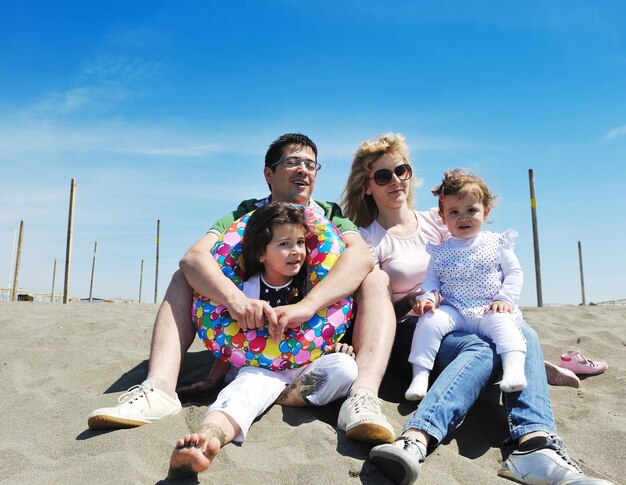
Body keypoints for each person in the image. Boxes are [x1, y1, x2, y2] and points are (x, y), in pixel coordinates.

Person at [88, 133, 397, 445]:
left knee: (375, 278)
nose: (304, 170)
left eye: (311, 165)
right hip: (247, 334)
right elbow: (194, 258)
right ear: (269, 173)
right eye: (292, 162)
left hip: (312, 338)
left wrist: (308, 306)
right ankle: (160, 389)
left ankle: (363, 397)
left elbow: (359, 257)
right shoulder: (244, 213)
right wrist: (235, 300)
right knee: (183, 276)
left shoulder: (329, 213)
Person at [340, 133, 613, 485]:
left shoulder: (438, 219)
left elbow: (483, 259)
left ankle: (535, 443)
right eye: (383, 176)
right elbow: (372, 306)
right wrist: (412, 300)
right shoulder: (370, 238)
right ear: (367, 187)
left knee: (519, 330)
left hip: (464, 312)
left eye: (401, 170)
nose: (395, 181)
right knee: (481, 349)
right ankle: (417, 436)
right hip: (415, 327)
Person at [167, 201, 358, 479]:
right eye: (284, 244)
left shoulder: (311, 286)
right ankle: (206, 440)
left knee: (345, 367)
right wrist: (212, 378)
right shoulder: (245, 290)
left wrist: (334, 348)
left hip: (300, 369)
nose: (297, 251)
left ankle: (282, 396)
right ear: (261, 253)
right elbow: (228, 344)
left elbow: (322, 333)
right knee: (245, 391)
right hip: (257, 368)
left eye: (301, 242)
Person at [406, 168, 527, 401]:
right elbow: (432, 280)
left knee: (506, 325)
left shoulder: (497, 242)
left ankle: (513, 370)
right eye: (454, 212)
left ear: (486, 211)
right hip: (455, 309)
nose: (463, 217)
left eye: (471, 210)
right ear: (442, 217)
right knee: (429, 321)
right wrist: (429, 299)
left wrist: (504, 299)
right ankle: (420, 377)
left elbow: (514, 272)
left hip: (489, 308)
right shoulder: (440, 251)